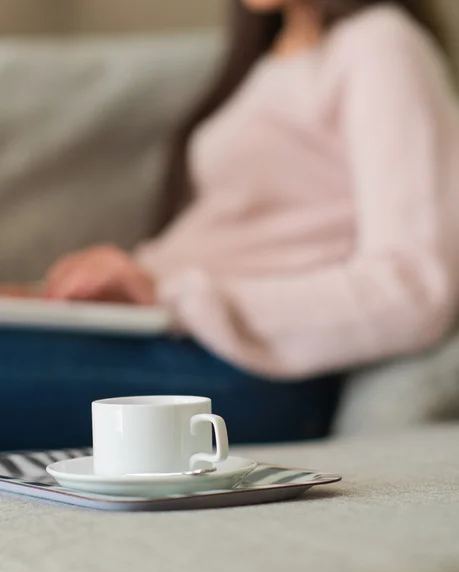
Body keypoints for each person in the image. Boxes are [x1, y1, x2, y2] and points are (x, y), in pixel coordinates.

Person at [2, 0, 459, 452]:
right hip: (165, 335)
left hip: (249, 365)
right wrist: (51, 297)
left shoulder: (380, 43)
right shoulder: (267, 59)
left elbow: (416, 288)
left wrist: (169, 296)